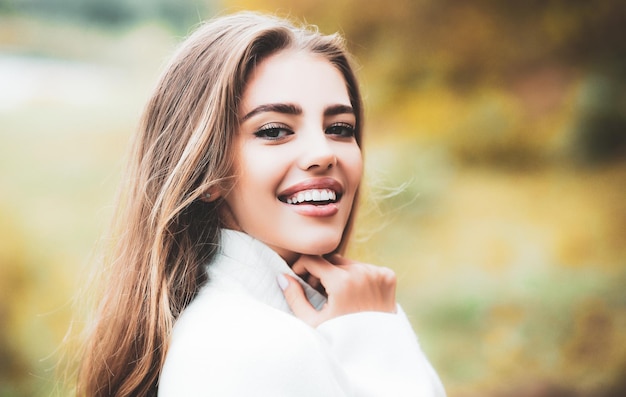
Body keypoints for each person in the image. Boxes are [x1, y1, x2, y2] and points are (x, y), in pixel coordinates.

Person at [76, 11, 446, 397]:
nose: (322, 153)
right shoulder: (258, 348)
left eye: (340, 128)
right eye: (273, 130)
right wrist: (373, 336)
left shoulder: (238, 330)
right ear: (207, 171)